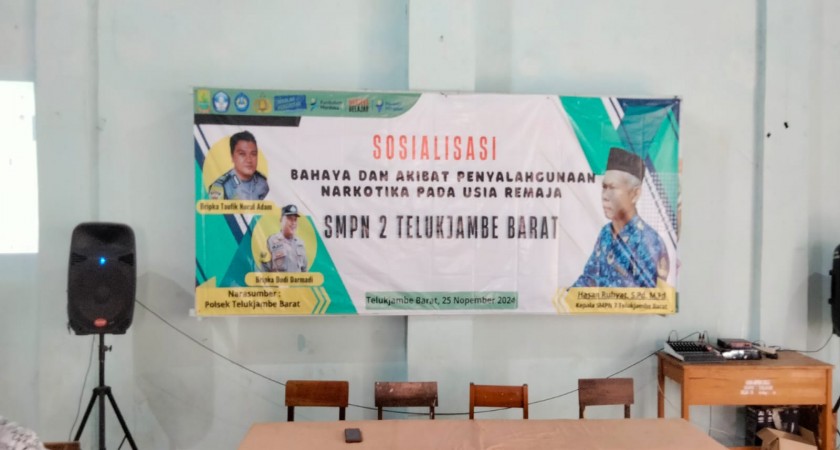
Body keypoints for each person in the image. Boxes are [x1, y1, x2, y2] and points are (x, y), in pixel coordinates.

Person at [573, 147, 669, 288]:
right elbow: (589, 278)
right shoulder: (606, 233)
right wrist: (567, 295)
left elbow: (647, 296)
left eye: (612, 188)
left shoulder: (650, 242)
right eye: (604, 187)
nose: (605, 196)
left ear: (635, 194)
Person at [209, 130, 269, 200]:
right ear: (232, 157)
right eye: (242, 154)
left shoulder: (263, 183)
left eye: (253, 154)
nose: (249, 160)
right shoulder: (220, 187)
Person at [262, 204, 308, 272]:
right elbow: (264, 270)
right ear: (281, 220)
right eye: (290, 219)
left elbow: (304, 271)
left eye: (295, 220)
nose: (293, 223)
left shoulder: (300, 243)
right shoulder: (271, 241)